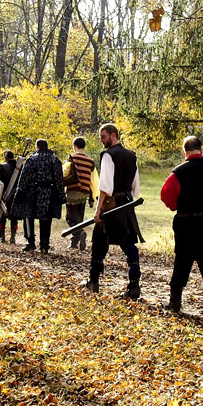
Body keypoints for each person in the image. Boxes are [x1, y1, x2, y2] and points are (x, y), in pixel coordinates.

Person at [159, 136, 203, 320]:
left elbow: (167, 196)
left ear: (184, 152)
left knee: (182, 264)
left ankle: (175, 304)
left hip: (188, 226)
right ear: (201, 150)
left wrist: (178, 206)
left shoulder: (178, 173)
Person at [85, 123, 143, 298]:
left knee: (100, 242)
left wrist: (98, 210)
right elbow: (135, 187)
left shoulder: (108, 155)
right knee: (126, 243)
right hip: (126, 203)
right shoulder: (131, 156)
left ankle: (94, 281)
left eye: (103, 137)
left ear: (113, 135)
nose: (102, 140)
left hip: (111, 204)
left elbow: (105, 187)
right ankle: (134, 284)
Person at [12, 139, 66, 253]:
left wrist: (19, 192)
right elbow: (59, 180)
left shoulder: (32, 159)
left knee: (29, 216)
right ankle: (44, 245)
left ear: (37, 147)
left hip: (32, 193)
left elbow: (24, 177)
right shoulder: (55, 160)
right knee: (46, 219)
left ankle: (30, 242)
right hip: (49, 193)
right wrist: (61, 196)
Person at [63, 137, 97, 251]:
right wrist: (92, 197)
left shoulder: (71, 158)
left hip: (72, 191)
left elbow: (64, 174)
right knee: (79, 217)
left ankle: (79, 232)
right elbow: (93, 180)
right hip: (84, 192)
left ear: (74, 145)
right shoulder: (90, 161)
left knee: (69, 217)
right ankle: (74, 242)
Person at [0, 151, 20, 244]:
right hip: (16, 196)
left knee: (2, 217)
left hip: (4, 196)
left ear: (6, 157)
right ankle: (13, 237)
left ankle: (2, 237)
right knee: (14, 218)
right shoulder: (20, 167)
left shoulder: (2, 167)